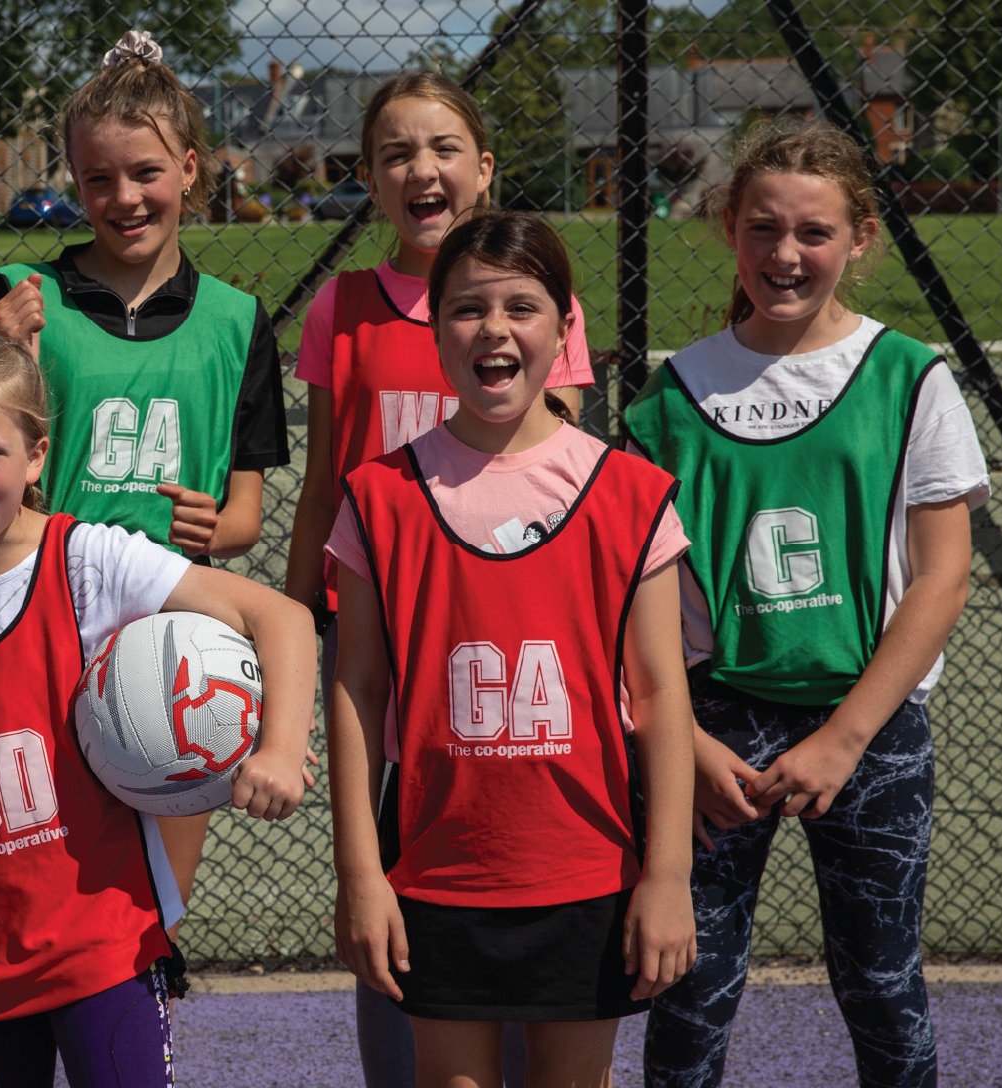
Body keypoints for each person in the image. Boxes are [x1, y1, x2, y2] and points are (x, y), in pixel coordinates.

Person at [0, 321, 313, 1087]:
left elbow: (280, 617)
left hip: (103, 944)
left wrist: (279, 748)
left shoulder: (89, 561)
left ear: (36, 457)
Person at [628, 119, 986, 1088]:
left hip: (867, 720)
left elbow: (942, 576)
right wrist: (684, 741)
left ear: (859, 238)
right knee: (687, 987)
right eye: (762, 228)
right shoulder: (671, 395)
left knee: (881, 984)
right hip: (716, 722)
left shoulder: (909, 377)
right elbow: (633, 596)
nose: (784, 254)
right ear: (728, 230)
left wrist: (844, 738)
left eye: (813, 232)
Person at [278, 71, 598, 1086]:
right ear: (371, 180)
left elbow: (566, 478)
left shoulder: (531, 302)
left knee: (513, 853)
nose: (422, 168)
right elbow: (323, 487)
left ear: (484, 168)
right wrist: (293, 633)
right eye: (396, 153)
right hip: (381, 632)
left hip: (504, 631)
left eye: (444, 147)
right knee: (392, 871)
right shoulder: (343, 308)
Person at [329, 211, 697, 1087]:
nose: (494, 329)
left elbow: (660, 696)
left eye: (521, 308)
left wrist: (668, 875)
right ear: (435, 327)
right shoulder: (379, 495)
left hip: (587, 868)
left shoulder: (627, 493)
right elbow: (356, 690)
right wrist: (360, 874)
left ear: (565, 329)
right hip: (436, 870)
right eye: (468, 309)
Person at [0, 27, 290, 944]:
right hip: (40, 617)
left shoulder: (236, 322)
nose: (124, 198)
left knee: (152, 913)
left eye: (146, 172)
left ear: (189, 169)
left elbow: (244, 517)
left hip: (173, 636)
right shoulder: (19, 298)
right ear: (75, 180)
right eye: (99, 178)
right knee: (33, 892)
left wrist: (218, 525)